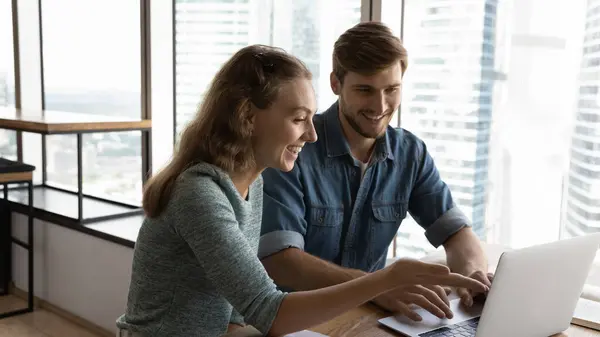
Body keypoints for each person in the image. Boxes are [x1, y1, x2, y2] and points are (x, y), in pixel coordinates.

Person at [114, 44, 487, 337]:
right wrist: (384, 280)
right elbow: (268, 310)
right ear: (248, 117)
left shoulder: (251, 184)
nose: (310, 135)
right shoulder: (200, 196)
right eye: (298, 119)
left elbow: (234, 314)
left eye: (311, 119)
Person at [258, 22, 494, 323]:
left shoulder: (410, 153)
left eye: (392, 89)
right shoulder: (294, 149)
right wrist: (377, 286)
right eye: (365, 90)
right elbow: (280, 262)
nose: (380, 105)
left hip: (371, 319)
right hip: (296, 322)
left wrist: (472, 277)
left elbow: (458, 234)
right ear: (335, 84)